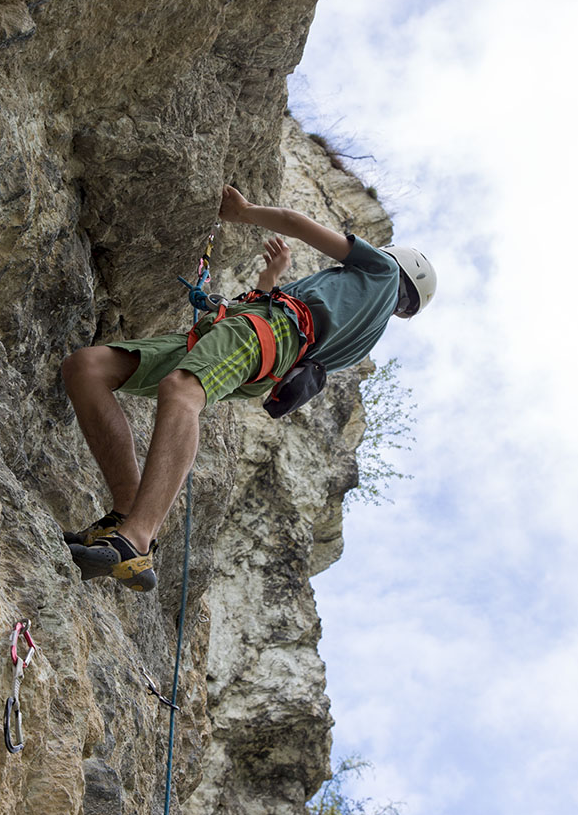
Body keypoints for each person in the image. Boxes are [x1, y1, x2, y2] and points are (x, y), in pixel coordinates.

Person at [61, 185, 436, 591]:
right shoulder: (363, 333)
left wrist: (243, 211)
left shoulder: (380, 269)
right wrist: (270, 280)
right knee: (87, 368)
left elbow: (298, 225)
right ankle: (127, 513)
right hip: (256, 343)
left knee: (182, 392)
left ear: (398, 262)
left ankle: (136, 540)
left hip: (263, 332)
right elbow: (293, 337)